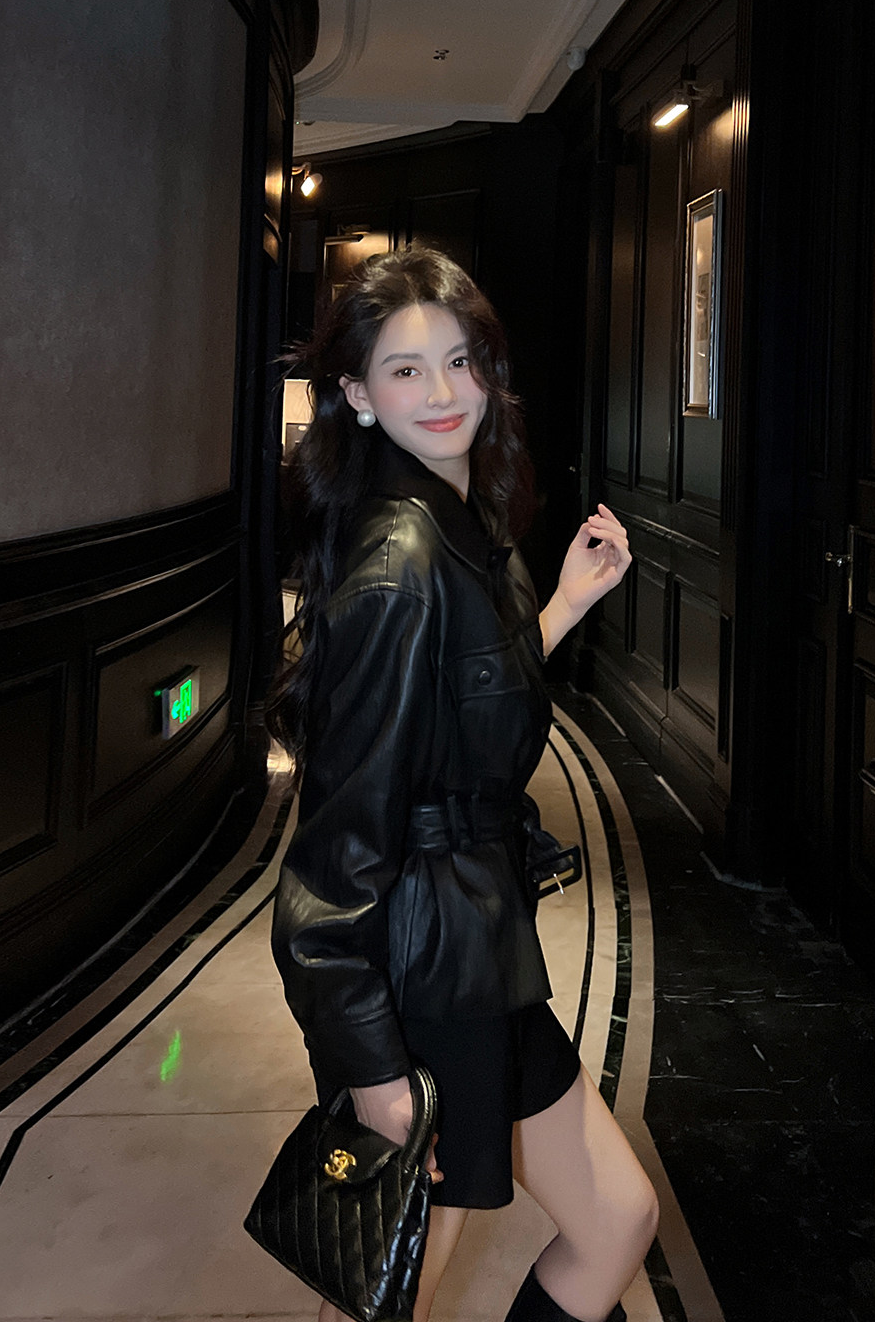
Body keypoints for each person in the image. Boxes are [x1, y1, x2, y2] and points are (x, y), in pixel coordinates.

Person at [265, 247, 659, 1322]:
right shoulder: (399, 562)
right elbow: (332, 863)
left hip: (481, 957)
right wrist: (374, 1069)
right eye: (405, 370)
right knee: (385, 1287)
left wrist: (565, 606)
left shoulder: (462, 524)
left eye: (460, 361)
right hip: (419, 985)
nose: (443, 393)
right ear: (355, 393)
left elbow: (459, 711)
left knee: (618, 1220)